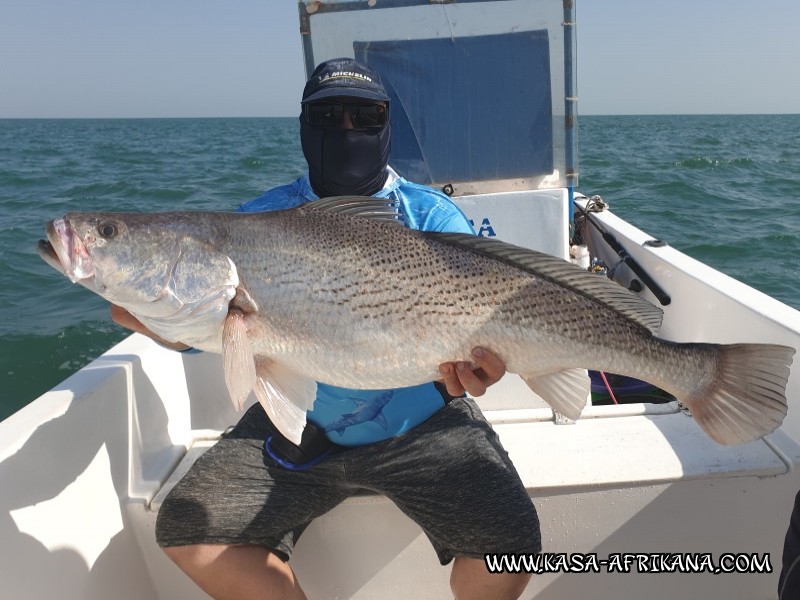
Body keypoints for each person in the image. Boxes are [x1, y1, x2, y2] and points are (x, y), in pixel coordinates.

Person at [113, 58, 540, 600]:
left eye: (363, 115)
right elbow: (214, 324)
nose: (346, 129)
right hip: (303, 427)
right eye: (328, 115)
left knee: (511, 547)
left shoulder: (431, 215)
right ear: (303, 126)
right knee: (188, 530)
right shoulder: (259, 220)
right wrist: (162, 326)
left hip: (424, 417)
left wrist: (478, 370)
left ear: (386, 125)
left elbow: (480, 329)